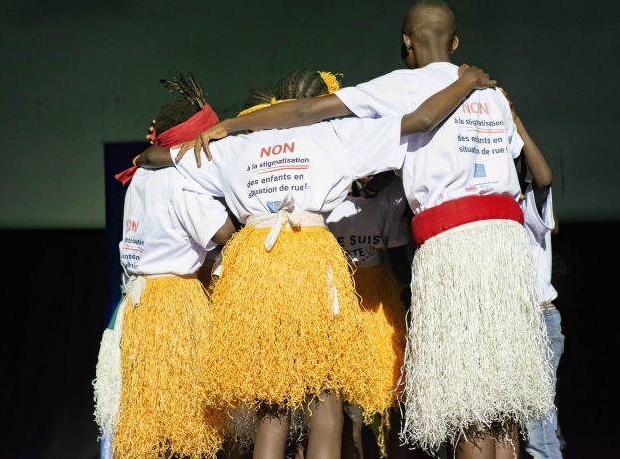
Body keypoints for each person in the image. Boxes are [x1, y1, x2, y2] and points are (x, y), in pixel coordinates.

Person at [172, 0, 553, 458]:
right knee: (502, 400)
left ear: (406, 43)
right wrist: (470, 80)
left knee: (468, 402)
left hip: (456, 249)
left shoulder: (400, 86)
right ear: (455, 42)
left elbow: (307, 112)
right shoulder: (491, 93)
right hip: (508, 250)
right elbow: (536, 173)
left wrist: (232, 125)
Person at [134, 63, 494, 459]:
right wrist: (466, 83)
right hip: (309, 263)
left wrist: (193, 143)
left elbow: (151, 158)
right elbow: (421, 119)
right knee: (324, 394)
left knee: (273, 405)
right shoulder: (336, 135)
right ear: (317, 101)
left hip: (256, 268)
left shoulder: (234, 145)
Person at [92, 75, 236, 459]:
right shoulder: (182, 183)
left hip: (139, 308)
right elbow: (224, 234)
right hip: (176, 307)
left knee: (148, 416)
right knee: (186, 422)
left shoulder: (139, 177)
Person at [325, 171, 408, 459]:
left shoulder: (388, 194)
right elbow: (397, 255)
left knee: (388, 400)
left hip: (374, 302)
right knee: (353, 409)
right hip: (341, 302)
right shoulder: (327, 196)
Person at [507, 93, 564, 459]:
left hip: (538, 320)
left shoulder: (530, 202)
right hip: (507, 322)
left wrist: (514, 121)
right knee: (516, 424)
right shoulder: (485, 211)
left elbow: (544, 176)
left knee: (537, 427)